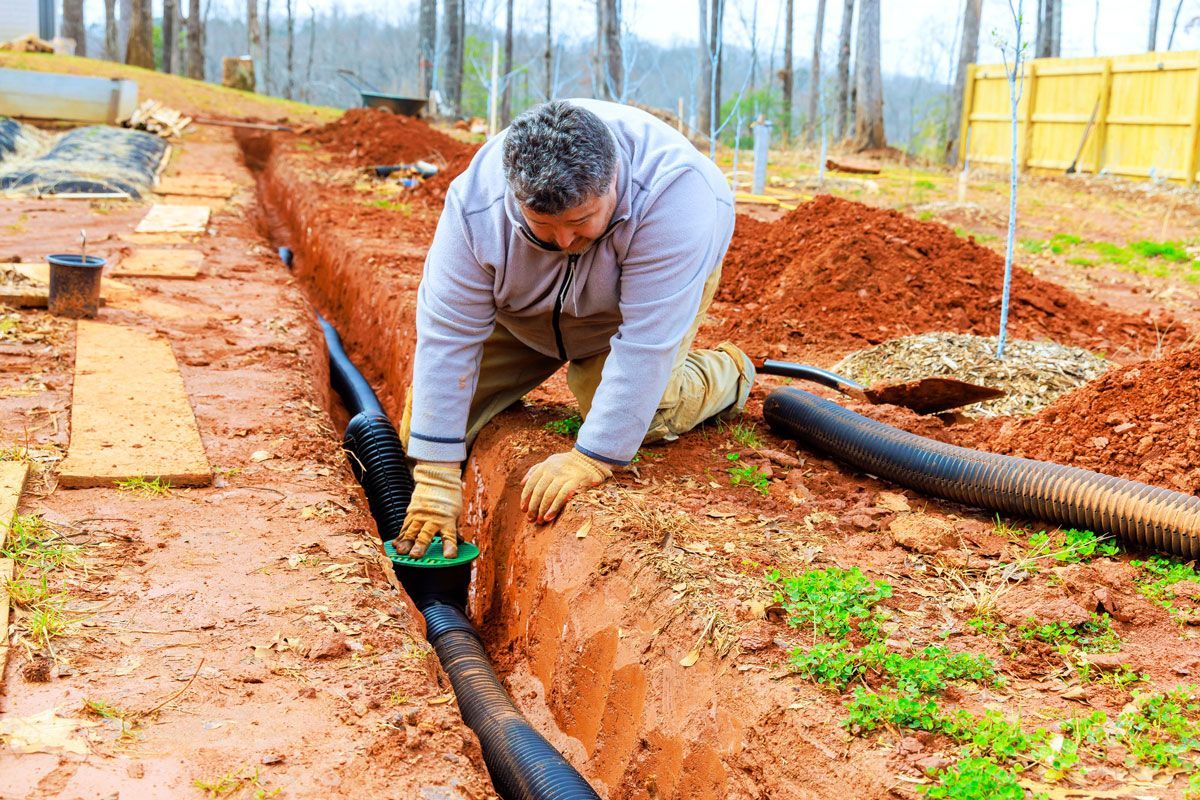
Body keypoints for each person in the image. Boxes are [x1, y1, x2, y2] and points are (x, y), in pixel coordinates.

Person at [395, 99, 755, 559]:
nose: (564, 242)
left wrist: (592, 457)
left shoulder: (677, 200)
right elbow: (449, 336)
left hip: (625, 311)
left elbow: (646, 343)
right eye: (543, 226)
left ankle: (729, 372)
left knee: (645, 413)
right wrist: (436, 483)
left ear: (613, 183)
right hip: (523, 308)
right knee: (422, 432)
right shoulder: (477, 203)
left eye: (581, 222)